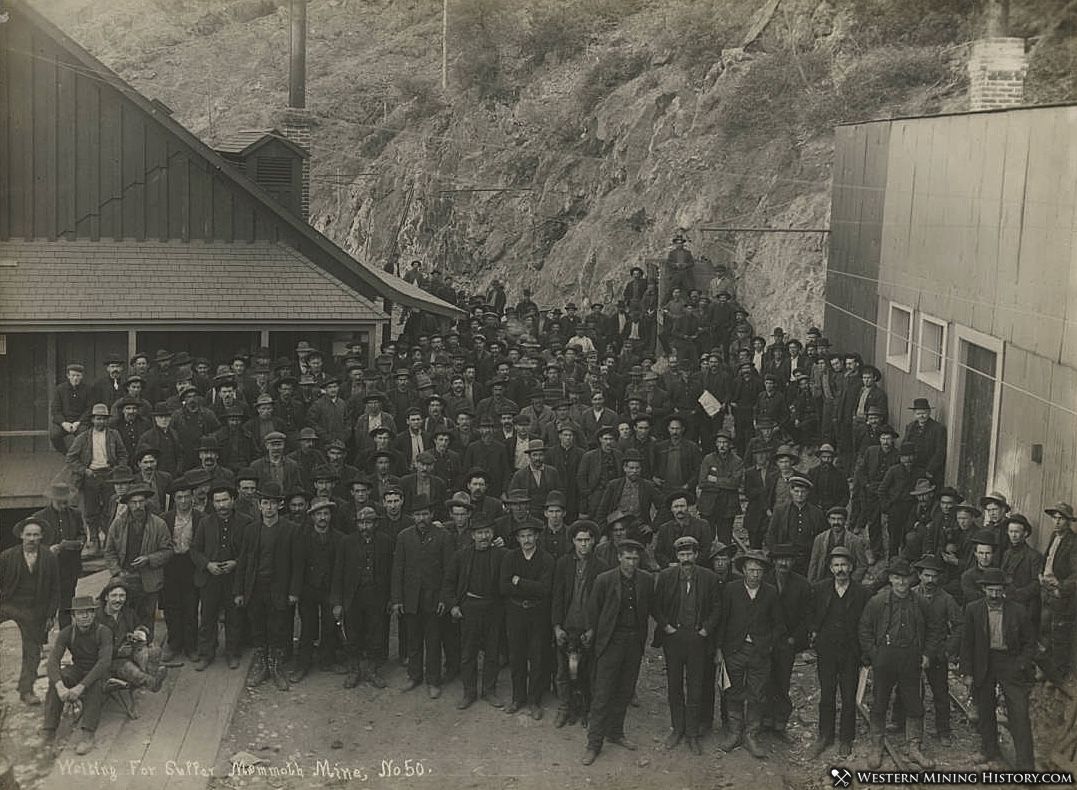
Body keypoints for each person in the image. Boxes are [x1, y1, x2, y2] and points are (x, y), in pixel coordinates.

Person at [858, 557, 940, 770]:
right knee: (879, 702)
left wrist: (927, 654)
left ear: (912, 580)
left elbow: (934, 629)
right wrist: (874, 654)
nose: (902, 583)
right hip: (885, 657)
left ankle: (914, 747)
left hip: (911, 658)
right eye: (897, 578)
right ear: (890, 579)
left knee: (914, 703)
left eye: (905, 578)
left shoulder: (920, 602)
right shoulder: (878, 601)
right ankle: (876, 745)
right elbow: (864, 629)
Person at [582, 538, 654, 766]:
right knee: (603, 693)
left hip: (634, 643)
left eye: (635, 558)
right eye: (627, 558)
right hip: (611, 642)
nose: (632, 563)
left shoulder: (646, 580)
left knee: (624, 690)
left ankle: (616, 732)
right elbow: (593, 611)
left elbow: (650, 610)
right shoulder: (604, 580)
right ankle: (593, 744)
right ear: (619, 557)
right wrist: (594, 638)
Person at [959, 567, 1036, 769]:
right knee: (985, 710)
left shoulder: (1018, 610)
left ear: (1004, 590)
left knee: (1019, 712)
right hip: (983, 662)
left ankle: (1026, 765)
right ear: (983, 589)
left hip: (1010, 662)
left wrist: (1020, 664)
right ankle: (988, 749)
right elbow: (967, 643)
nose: (994, 595)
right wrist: (967, 672)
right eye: (990, 590)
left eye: (998, 590)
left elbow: (1030, 643)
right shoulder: (973, 610)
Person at [653, 536, 720, 755]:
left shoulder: (709, 578)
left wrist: (705, 630)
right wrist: (666, 627)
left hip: (697, 638)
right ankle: (677, 728)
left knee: (695, 686)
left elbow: (717, 608)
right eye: (682, 555)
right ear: (676, 557)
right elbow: (656, 606)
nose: (686, 559)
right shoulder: (666, 576)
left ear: (697, 555)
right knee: (674, 685)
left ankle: (692, 733)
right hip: (674, 637)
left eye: (690, 554)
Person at [716, 549, 785, 759]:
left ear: (764, 572)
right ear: (743, 570)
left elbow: (779, 625)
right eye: (751, 569)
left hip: (759, 652)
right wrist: (719, 649)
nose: (755, 574)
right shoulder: (731, 589)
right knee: (733, 691)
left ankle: (751, 734)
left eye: (759, 570)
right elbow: (722, 621)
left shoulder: (771, 592)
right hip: (734, 650)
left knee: (757, 693)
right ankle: (734, 732)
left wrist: (767, 645)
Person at [235, 481, 300, 691]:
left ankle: (276, 667)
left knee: (278, 628)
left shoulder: (291, 530)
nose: (269, 507)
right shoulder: (251, 530)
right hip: (255, 587)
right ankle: (261, 666)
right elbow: (243, 562)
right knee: (258, 627)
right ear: (259, 506)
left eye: (273, 503)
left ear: (280, 506)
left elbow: (298, 564)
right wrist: (239, 591)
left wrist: (293, 591)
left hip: (278, 588)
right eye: (265, 503)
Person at [808, 547, 870, 760]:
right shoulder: (820, 589)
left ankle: (846, 738)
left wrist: (865, 652)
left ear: (851, 567)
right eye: (836, 565)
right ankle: (825, 736)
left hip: (851, 653)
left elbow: (866, 624)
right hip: (827, 651)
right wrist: (815, 635)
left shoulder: (862, 593)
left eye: (844, 565)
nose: (840, 569)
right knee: (827, 694)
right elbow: (812, 616)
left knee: (848, 695)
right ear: (830, 568)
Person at [391, 494, 454, 698]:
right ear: (412, 516)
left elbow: (449, 572)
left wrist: (445, 598)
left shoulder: (443, 536)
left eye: (425, 514)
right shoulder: (404, 537)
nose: (421, 518)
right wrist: (397, 599)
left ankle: (433, 680)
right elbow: (397, 569)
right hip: (410, 599)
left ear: (432, 514)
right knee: (413, 640)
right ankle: (414, 676)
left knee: (433, 641)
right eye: (417, 514)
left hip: (434, 600)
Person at [443, 513, 507, 710]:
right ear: (472, 535)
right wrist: (453, 605)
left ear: (492, 533)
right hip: (469, 608)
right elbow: (448, 584)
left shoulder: (502, 555)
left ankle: (489, 690)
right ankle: (469, 691)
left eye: (487, 532)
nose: (483, 537)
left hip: (493, 608)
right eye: (479, 533)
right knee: (468, 652)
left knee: (492, 651)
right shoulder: (461, 556)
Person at [41, 596, 112, 755]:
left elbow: (104, 662)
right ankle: (49, 732)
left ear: (94, 614)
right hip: (79, 667)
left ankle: (88, 734)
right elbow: (53, 661)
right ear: (74, 616)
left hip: (99, 672)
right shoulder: (67, 633)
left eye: (88, 612)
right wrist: (60, 685)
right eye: (80, 613)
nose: (85, 616)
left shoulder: (103, 632)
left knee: (94, 686)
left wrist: (80, 687)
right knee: (57, 679)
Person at [191, 482, 251, 670]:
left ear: (233, 500)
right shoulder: (205, 522)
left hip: (234, 579)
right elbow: (194, 550)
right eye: (217, 501)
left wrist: (236, 563)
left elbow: (250, 552)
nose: (221, 505)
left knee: (234, 617)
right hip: (211, 578)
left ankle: (232, 653)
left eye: (225, 500)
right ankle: (206, 654)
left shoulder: (245, 522)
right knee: (207, 617)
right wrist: (208, 565)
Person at [0, 519, 61, 705]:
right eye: (28, 534)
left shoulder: (49, 557)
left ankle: (26, 689)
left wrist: (51, 615)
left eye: (36, 535)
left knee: (33, 650)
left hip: (34, 610)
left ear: (41, 537)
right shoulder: (7, 556)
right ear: (21, 536)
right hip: (8, 604)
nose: (32, 539)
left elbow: (55, 588)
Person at [551, 520, 605, 727]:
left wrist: (594, 629)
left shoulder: (601, 567)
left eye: (587, 540)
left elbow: (603, 604)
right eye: (579, 540)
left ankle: (587, 710)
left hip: (587, 627)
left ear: (593, 542)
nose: (583, 544)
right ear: (573, 541)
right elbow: (556, 597)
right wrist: (556, 626)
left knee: (588, 671)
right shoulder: (563, 564)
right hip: (567, 625)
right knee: (564, 671)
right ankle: (566, 707)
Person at [500, 518, 555, 719]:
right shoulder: (510, 558)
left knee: (538, 656)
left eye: (530, 535)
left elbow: (545, 589)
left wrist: (519, 581)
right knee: (517, 656)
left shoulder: (546, 559)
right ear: (517, 538)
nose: (527, 540)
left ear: (537, 536)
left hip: (538, 613)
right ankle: (518, 697)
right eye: (522, 536)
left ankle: (534, 700)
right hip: (515, 613)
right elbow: (504, 586)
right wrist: (529, 585)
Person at [332, 505, 391, 690]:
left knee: (376, 634)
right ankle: (354, 670)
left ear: (376, 523)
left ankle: (372, 670)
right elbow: (338, 573)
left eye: (368, 522)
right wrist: (337, 602)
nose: (365, 527)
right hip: (353, 596)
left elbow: (391, 573)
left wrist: (391, 598)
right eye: (361, 523)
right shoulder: (346, 542)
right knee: (353, 634)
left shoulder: (386, 542)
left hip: (376, 595)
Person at [102, 483, 173, 638]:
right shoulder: (118, 524)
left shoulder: (158, 524)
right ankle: (125, 651)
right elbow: (109, 551)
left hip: (149, 579)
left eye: (141, 501)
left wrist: (149, 559)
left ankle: (146, 651)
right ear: (127, 504)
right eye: (134, 502)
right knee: (125, 616)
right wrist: (117, 572)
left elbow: (167, 551)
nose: (138, 506)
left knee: (147, 616)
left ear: (146, 502)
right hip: (125, 578)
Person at [908, 555, 962, 746]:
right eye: (926, 576)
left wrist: (948, 649)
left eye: (934, 576)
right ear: (919, 576)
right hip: (913, 651)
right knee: (907, 689)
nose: (930, 580)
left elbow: (959, 626)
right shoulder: (910, 594)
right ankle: (899, 723)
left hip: (937, 653)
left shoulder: (947, 599)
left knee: (940, 692)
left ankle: (943, 730)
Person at [291, 497, 345, 682]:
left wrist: (338, 598)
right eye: (319, 514)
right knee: (307, 627)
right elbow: (297, 566)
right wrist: (295, 592)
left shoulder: (339, 539)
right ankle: (303, 664)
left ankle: (327, 660)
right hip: (308, 589)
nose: (323, 517)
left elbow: (340, 570)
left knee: (329, 626)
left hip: (330, 590)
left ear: (330, 516)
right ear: (312, 517)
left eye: (326, 513)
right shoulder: (303, 537)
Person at [67, 402, 128, 556]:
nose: (101, 422)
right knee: (91, 510)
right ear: (93, 420)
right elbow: (71, 458)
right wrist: (84, 470)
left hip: (109, 475)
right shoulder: (83, 437)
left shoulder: (114, 435)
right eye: (98, 418)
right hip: (91, 476)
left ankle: (109, 540)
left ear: (107, 420)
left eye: (103, 419)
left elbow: (123, 454)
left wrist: (118, 469)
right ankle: (94, 539)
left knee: (110, 508)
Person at [766, 544, 812, 738]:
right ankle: (763, 719)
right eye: (780, 559)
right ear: (774, 561)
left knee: (782, 681)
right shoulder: (764, 579)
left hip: (787, 642)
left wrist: (794, 639)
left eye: (788, 560)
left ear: (793, 562)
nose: (783, 563)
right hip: (766, 641)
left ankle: (780, 722)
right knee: (764, 680)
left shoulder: (801, 585)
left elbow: (807, 617)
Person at [95, 579, 167, 692]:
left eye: (122, 596)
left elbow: (139, 626)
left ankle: (150, 674)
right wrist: (118, 651)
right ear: (106, 597)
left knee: (154, 651)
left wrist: (140, 633)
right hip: (110, 659)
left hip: (131, 650)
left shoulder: (127, 613)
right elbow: (94, 646)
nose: (118, 600)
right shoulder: (97, 618)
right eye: (114, 596)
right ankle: (152, 682)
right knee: (129, 668)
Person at [31, 482, 84, 630]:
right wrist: (48, 549)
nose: (64, 504)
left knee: (66, 604)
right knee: (46, 605)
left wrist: (78, 542)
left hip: (70, 567)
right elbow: (32, 542)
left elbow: (82, 534)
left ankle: (65, 636)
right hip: (47, 568)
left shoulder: (75, 514)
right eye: (60, 502)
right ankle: (41, 640)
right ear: (52, 500)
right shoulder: (39, 517)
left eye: (66, 501)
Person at [161, 476, 202, 662]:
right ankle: (174, 643)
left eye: (187, 496)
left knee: (191, 605)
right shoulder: (165, 519)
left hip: (191, 565)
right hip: (171, 565)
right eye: (180, 497)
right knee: (171, 606)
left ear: (192, 497)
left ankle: (191, 645)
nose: (184, 501)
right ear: (174, 499)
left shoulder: (200, 518)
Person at [1041, 502, 1077, 679]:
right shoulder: (1054, 536)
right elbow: (1048, 560)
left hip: (1061, 595)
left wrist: (1060, 588)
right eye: (1054, 518)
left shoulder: (1073, 542)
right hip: (1046, 591)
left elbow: (1075, 575)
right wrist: (1042, 576)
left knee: (1059, 635)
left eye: (1061, 518)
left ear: (1068, 521)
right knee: (1044, 630)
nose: (1056, 522)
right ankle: (1046, 669)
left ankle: (1058, 675)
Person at [765, 475, 825, 577]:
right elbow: (771, 534)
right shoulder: (780, 511)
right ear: (791, 492)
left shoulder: (816, 513)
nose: (800, 495)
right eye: (796, 491)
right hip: (786, 557)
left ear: (808, 493)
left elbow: (822, 537)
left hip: (808, 558)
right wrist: (776, 554)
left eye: (803, 492)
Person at [807, 506, 871, 584]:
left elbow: (863, 565)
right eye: (833, 519)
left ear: (845, 520)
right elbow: (814, 563)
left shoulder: (855, 541)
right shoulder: (820, 539)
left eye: (839, 519)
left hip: (846, 580)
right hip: (824, 580)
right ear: (828, 520)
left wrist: (851, 581)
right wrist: (811, 584)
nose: (836, 522)